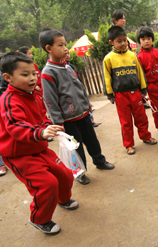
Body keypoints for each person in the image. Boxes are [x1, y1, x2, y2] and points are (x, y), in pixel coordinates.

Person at [0, 52, 78, 234]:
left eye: (34, 73)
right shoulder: (8, 100)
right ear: (8, 77)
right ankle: (40, 219)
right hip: (18, 154)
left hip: (38, 147)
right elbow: (16, 126)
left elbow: (41, 117)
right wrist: (41, 132)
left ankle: (62, 199)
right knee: (46, 184)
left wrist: (49, 127)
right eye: (25, 74)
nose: (32, 78)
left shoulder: (34, 95)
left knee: (65, 174)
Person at [39, 29, 115, 185]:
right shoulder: (48, 73)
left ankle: (99, 161)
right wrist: (58, 123)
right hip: (68, 120)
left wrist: (87, 105)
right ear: (49, 49)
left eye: (65, 44)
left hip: (83, 115)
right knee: (76, 148)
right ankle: (80, 172)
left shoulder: (67, 66)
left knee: (92, 140)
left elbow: (79, 87)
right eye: (60, 45)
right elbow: (50, 101)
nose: (66, 48)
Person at [103, 26, 157, 155]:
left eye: (124, 40)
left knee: (141, 117)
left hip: (135, 93)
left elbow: (140, 73)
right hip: (121, 96)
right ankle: (129, 144)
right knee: (126, 122)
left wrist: (143, 89)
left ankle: (145, 136)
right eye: (119, 41)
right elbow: (106, 78)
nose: (123, 43)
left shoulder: (133, 55)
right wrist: (110, 94)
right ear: (112, 42)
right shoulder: (108, 59)